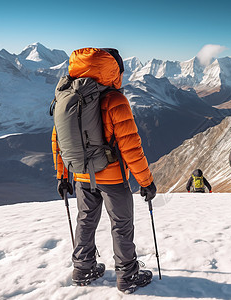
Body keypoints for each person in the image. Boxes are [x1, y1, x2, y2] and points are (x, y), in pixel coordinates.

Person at [52, 48, 156, 294]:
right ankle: (128, 275)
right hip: (111, 177)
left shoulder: (65, 96)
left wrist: (61, 175)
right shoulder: (114, 100)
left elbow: (57, 140)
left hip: (80, 174)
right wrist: (146, 181)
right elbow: (131, 145)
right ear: (113, 70)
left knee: (85, 220)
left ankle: (82, 268)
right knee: (121, 224)